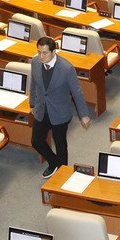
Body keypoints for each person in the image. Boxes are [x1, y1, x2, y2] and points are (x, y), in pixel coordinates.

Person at [28, 36, 92, 180]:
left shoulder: (66, 68)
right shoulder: (35, 62)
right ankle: (54, 162)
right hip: (41, 109)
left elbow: (77, 92)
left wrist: (84, 115)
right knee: (36, 141)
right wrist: (32, 103)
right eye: (39, 52)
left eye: (44, 53)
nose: (41, 56)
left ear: (53, 51)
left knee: (60, 144)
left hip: (60, 113)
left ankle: (63, 176)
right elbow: (34, 84)